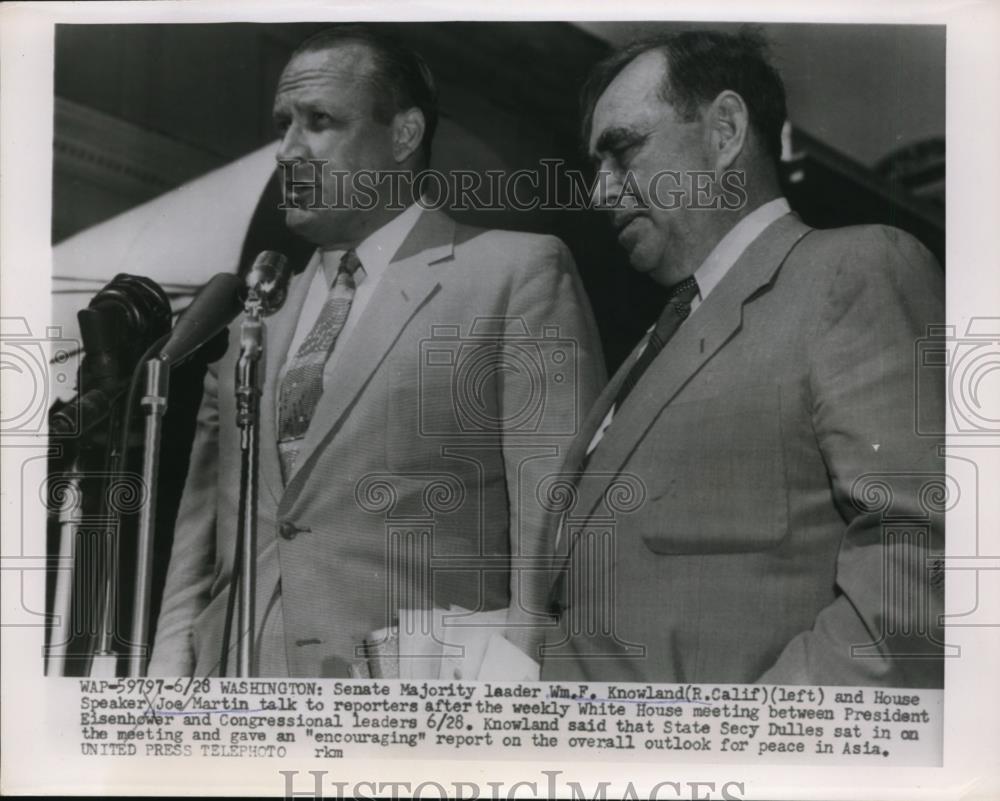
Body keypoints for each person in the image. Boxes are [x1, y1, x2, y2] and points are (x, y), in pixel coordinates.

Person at [149, 25, 604, 677]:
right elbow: (199, 537)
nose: (286, 150)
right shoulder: (256, 308)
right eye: (283, 124)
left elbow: (555, 518)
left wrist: (518, 688)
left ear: (404, 135)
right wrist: (169, 671)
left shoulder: (516, 272)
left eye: (319, 121)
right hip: (238, 699)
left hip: (414, 708)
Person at [540, 29, 945, 687]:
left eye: (623, 150)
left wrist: (749, 747)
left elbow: (924, 568)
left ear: (725, 130)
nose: (600, 193)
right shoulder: (655, 341)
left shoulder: (857, 268)